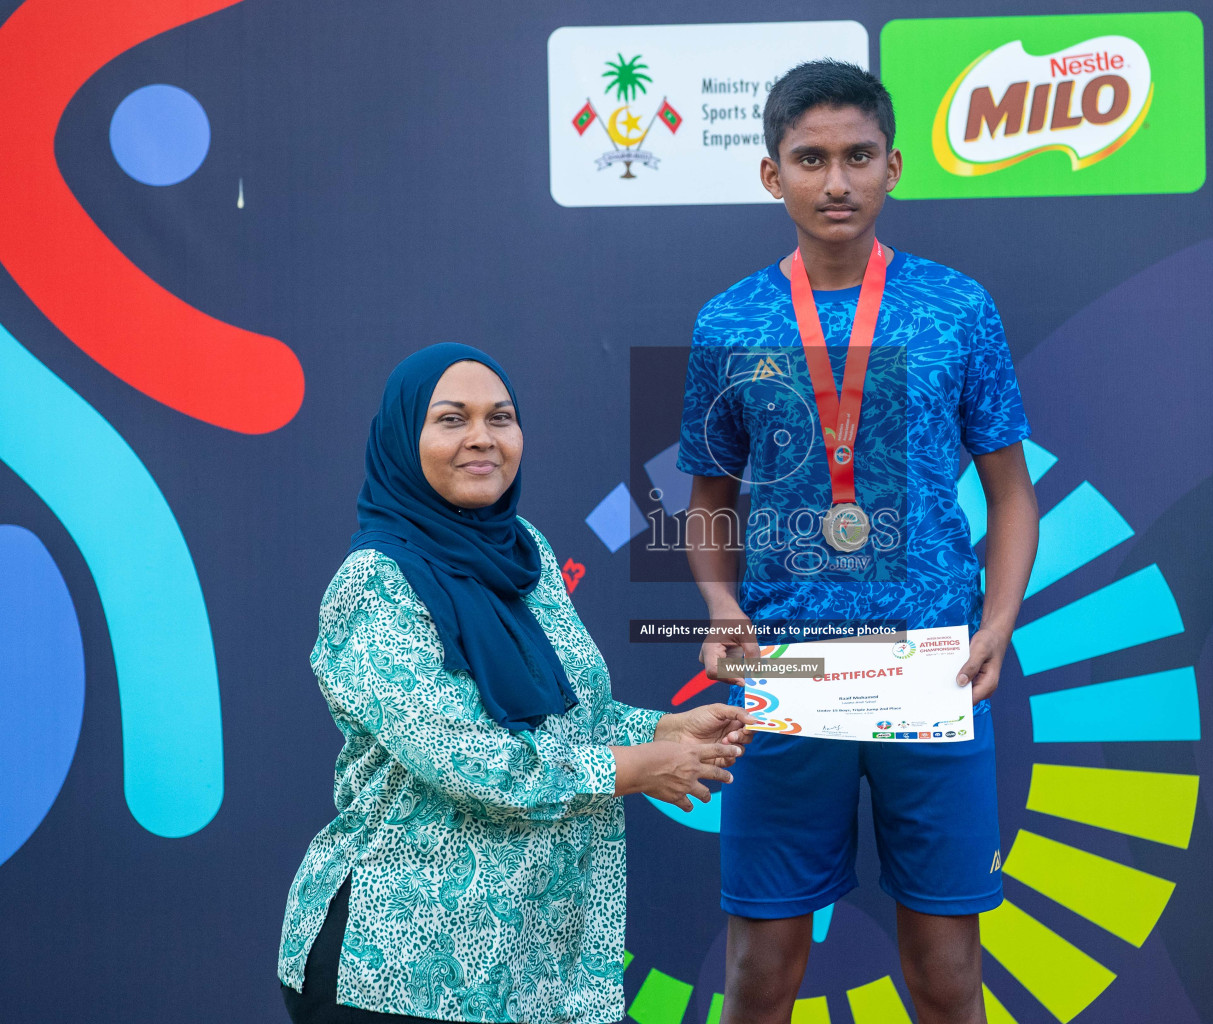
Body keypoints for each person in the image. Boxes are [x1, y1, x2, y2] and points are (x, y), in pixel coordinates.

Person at [675, 62, 1040, 1024]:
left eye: (857, 157)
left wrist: (996, 623)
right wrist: (720, 606)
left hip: (934, 671)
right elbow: (709, 499)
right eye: (810, 159)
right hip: (790, 674)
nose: (835, 181)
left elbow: (1010, 494)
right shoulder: (728, 321)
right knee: (761, 969)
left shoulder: (958, 307)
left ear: (894, 168)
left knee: (946, 971)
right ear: (771, 175)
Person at [277, 344, 755, 1024]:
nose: (482, 437)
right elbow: (475, 762)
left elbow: (556, 711)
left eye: (500, 417)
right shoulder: (375, 583)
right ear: (402, 440)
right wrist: (639, 767)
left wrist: (659, 729)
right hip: (400, 972)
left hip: (526, 971)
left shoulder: (522, 550)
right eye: (451, 419)